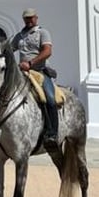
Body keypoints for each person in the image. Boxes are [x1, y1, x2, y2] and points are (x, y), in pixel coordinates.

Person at [11, 8, 58, 148]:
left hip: (39, 72)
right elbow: (9, 49)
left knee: (49, 98)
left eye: (31, 18)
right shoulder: (19, 36)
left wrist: (31, 63)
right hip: (22, 73)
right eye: (26, 18)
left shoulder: (43, 32)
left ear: (36, 18)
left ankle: (52, 133)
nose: (29, 20)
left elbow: (47, 51)